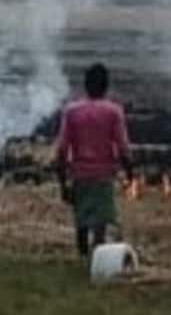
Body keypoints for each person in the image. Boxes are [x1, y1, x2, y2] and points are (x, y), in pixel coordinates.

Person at [54, 62, 135, 258]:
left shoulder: (72, 112)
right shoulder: (113, 112)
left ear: (86, 85)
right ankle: (97, 256)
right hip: (103, 175)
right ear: (106, 86)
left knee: (81, 220)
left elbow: (62, 149)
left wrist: (63, 182)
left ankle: (82, 255)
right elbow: (123, 146)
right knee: (100, 221)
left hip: (80, 174)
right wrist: (129, 172)